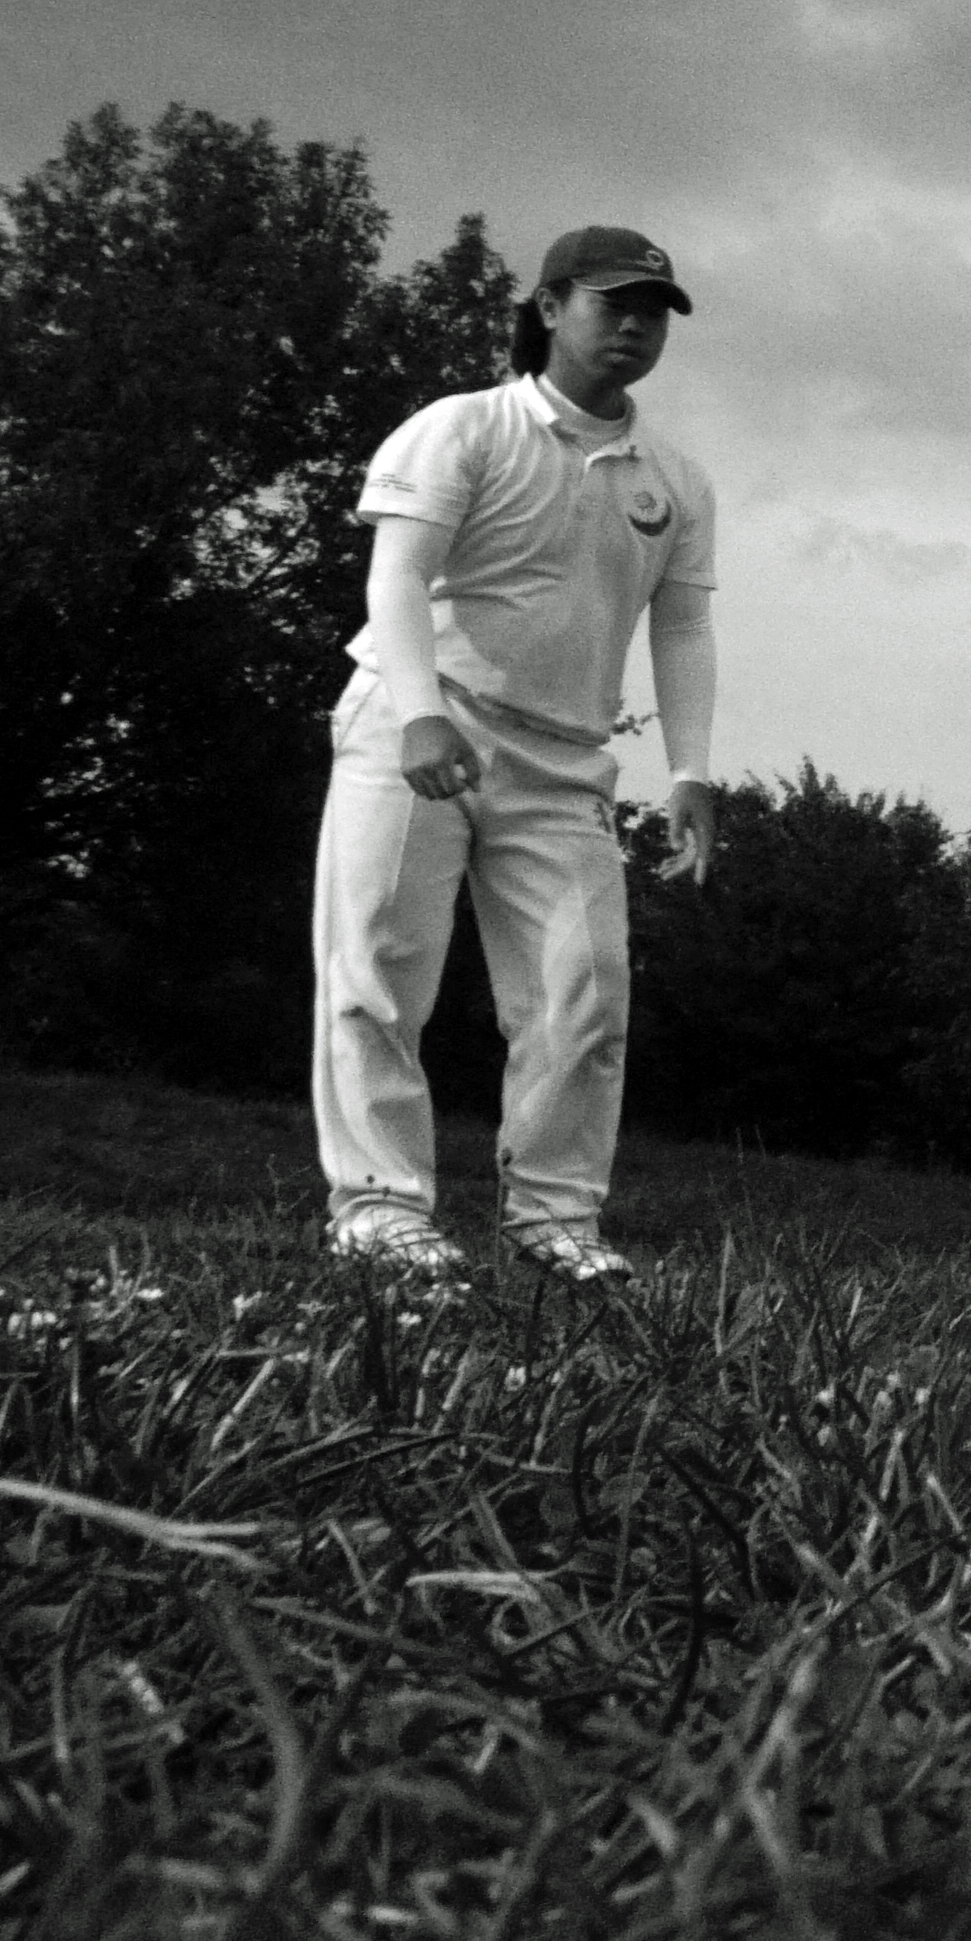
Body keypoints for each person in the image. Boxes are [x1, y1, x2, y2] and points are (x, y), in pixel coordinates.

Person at [309, 226, 723, 1282]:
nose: (633, 326)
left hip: (565, 756)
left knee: (583, 991)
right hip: (420, 720)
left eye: (653, 311)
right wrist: (417, 713)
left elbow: (679, 627)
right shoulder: (464, 429)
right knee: (379, 969)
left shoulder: (673, 478)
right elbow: (397, 579)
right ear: (547, 308)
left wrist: (691, 772)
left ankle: (554, 1223)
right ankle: (379, 1211)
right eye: (610, 303)